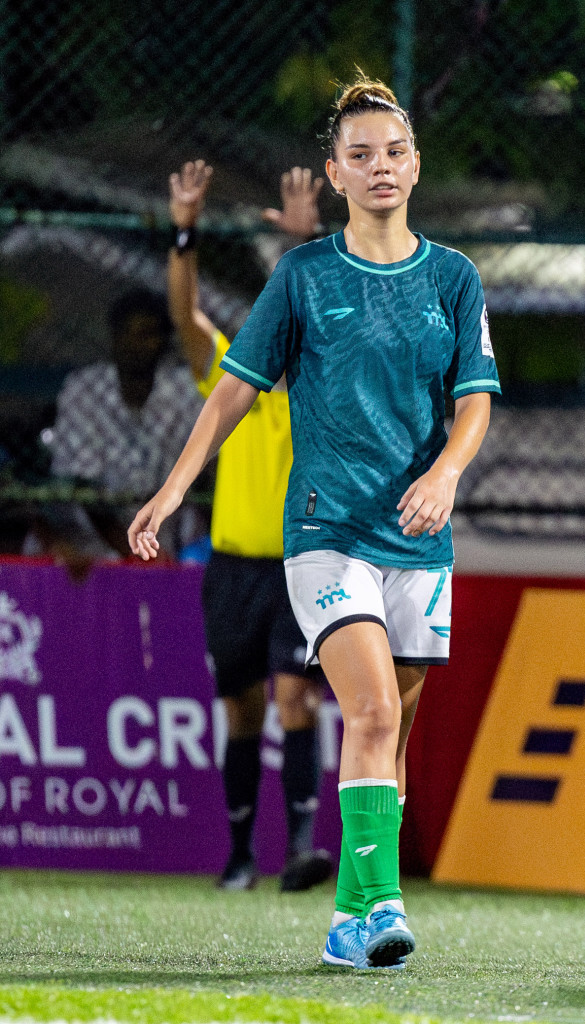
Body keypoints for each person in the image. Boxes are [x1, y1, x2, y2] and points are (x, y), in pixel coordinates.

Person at [128, 74, 499, 972]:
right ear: (334, 173)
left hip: (420, 540)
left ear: (416, 164)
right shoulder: (303, 275)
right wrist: (178, 486)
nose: (380, 167)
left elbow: (476, 401)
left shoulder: (453, 277)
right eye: (360, 155)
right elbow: (230, 392)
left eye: (394, 152)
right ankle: (383, 908)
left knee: (392, 732)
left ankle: (347, 916)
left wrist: (448, 473)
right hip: (327, 534)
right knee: (367, 710)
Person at [166, 159, 334, 892]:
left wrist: (307, 248)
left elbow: (324, 308)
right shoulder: (235, 381)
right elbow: (184, 317)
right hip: (231, 570)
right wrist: (183, 233)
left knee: (294, 700)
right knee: (240, 709)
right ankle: (238, 856)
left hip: (299, 566)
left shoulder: (319, 382)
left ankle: (300, 847)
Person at [38, 289, 203, 564]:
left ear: (163, 341)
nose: (134, 344)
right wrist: (134, 555)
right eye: (126, 333)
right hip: (90, 548)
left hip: (169, 545)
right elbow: (83, 487)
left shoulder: (182, 391)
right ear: (113, 337)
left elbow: (206, 470)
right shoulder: (84, 389)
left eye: (147, 334)